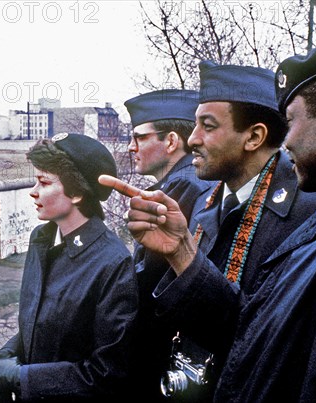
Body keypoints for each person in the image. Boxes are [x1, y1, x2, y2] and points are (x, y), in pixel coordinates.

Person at [116, 34, 316, 401]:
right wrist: (180, 252)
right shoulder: (205, 204)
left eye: (207, 126)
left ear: (254, 137)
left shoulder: (314, 212)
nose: (192, 139)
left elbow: (272, 345)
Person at [0, 133, 139, 402]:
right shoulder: (41, 238)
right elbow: (39, 320)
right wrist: (9, 352)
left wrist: (21, 378)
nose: (33, 191)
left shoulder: (113, 263)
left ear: (77, 192)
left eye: (44, 182)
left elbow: (107, 373)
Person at [123, 89, 213, 400]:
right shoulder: (185, 183)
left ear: (172, 141)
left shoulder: (183, 187)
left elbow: (147, 284)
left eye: (140, 137)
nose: (131, 147)